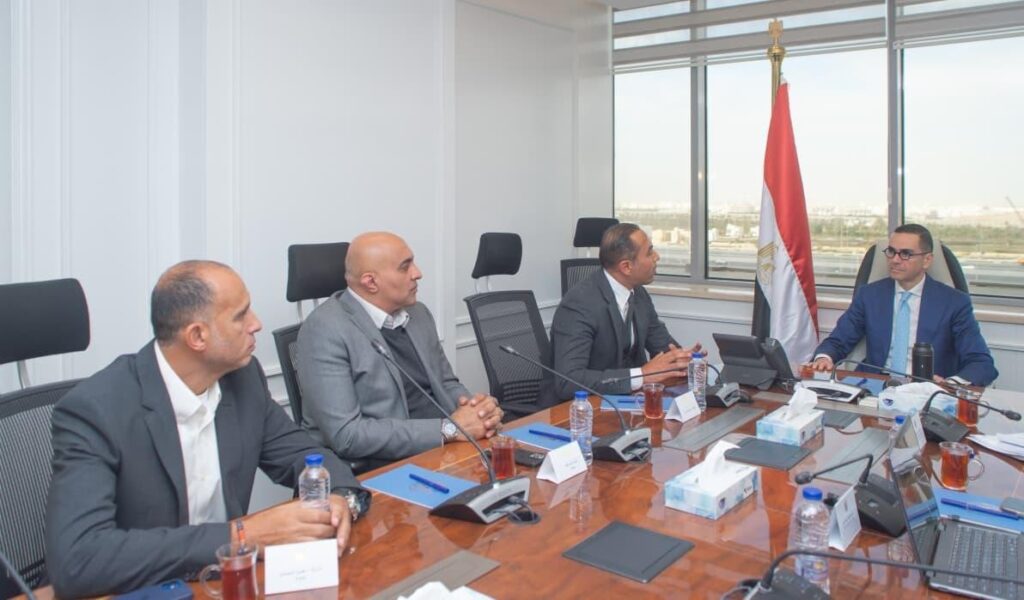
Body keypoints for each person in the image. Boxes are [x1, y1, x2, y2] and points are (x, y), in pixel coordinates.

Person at [45, 261, 370, 598]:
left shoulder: (242, 378)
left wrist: (338, 498)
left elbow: (304, 454)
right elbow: (78, 560)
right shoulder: (96, 409)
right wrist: (241, 535)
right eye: (240, 316)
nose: (256, 324)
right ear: (197, 336)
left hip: (223, 584)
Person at [298, 231, 502, 463]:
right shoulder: (324, 330)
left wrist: (480, 414)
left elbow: (446, 383)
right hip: (378, 465)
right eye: (405, 267)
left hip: (443, 451)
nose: (417, 273)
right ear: (371, 282)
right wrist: (449, 429)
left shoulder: (419, 313)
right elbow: (347, 435)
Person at [812, 224, 998, 386]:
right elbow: (838, 341)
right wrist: (824, 358)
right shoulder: (869, 295)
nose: (895, 259)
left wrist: (950, 385)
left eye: (905, 254)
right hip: (874, 385)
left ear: (927, 260)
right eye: (891, 252)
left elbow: (981, 363)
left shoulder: (954, 302)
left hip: (927, 389)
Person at [547, 223, 699, 400]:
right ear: (626, 267)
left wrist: (683, 359)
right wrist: (641, 375)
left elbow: (662, 346)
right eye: (649, 252)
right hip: (581, 407)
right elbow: (568, 381)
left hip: (629, 401)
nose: (657, 256)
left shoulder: (638, 293)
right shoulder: (579, 304)